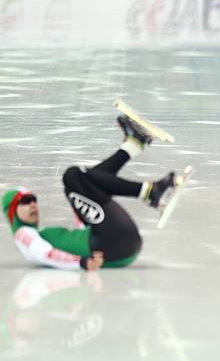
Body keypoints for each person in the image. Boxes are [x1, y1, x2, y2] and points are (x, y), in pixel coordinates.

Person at [2, 114, 177, 271]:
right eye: (24, 201)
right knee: (72, 177)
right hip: (109, 244)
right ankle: (150, 191)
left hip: (117, 243)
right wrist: (81, 262)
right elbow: (44, 254)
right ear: (11, 212)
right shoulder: (23, 235)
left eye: (32, 199)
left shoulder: (42, 234)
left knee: (85, 180)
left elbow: (86, 217)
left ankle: (134, 144)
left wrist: (78, 204)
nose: (32, 204)